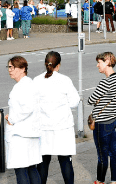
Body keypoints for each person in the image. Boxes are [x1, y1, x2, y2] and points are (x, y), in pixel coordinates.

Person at [34, 51, 78, 184]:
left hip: (44, 128)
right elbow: (74, 101)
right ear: (58, 65)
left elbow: (33, 103)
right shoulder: (64, 80)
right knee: (65, 161)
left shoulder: (37, 81)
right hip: (62, 128)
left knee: (42, 163)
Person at [87, 52, 116, 184]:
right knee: (114, 152)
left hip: (102, 123)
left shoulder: (105, 82)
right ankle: (114, 180)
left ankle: (100, 181)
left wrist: (98, 101)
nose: (97, 65)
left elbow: (90, 100)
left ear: (107, 62)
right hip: (112, 120)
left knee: (102, 156)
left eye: (99, 62)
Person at [5, 56, 42, 184]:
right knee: (31, 168)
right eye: (9, 67)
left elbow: (27, 107)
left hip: (21, 134)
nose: (9, 70)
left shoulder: (23, 86)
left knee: (21, 170)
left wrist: (11, 118)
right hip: (30, 133)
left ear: (22, 69)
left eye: (12, 67)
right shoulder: (28, 84)